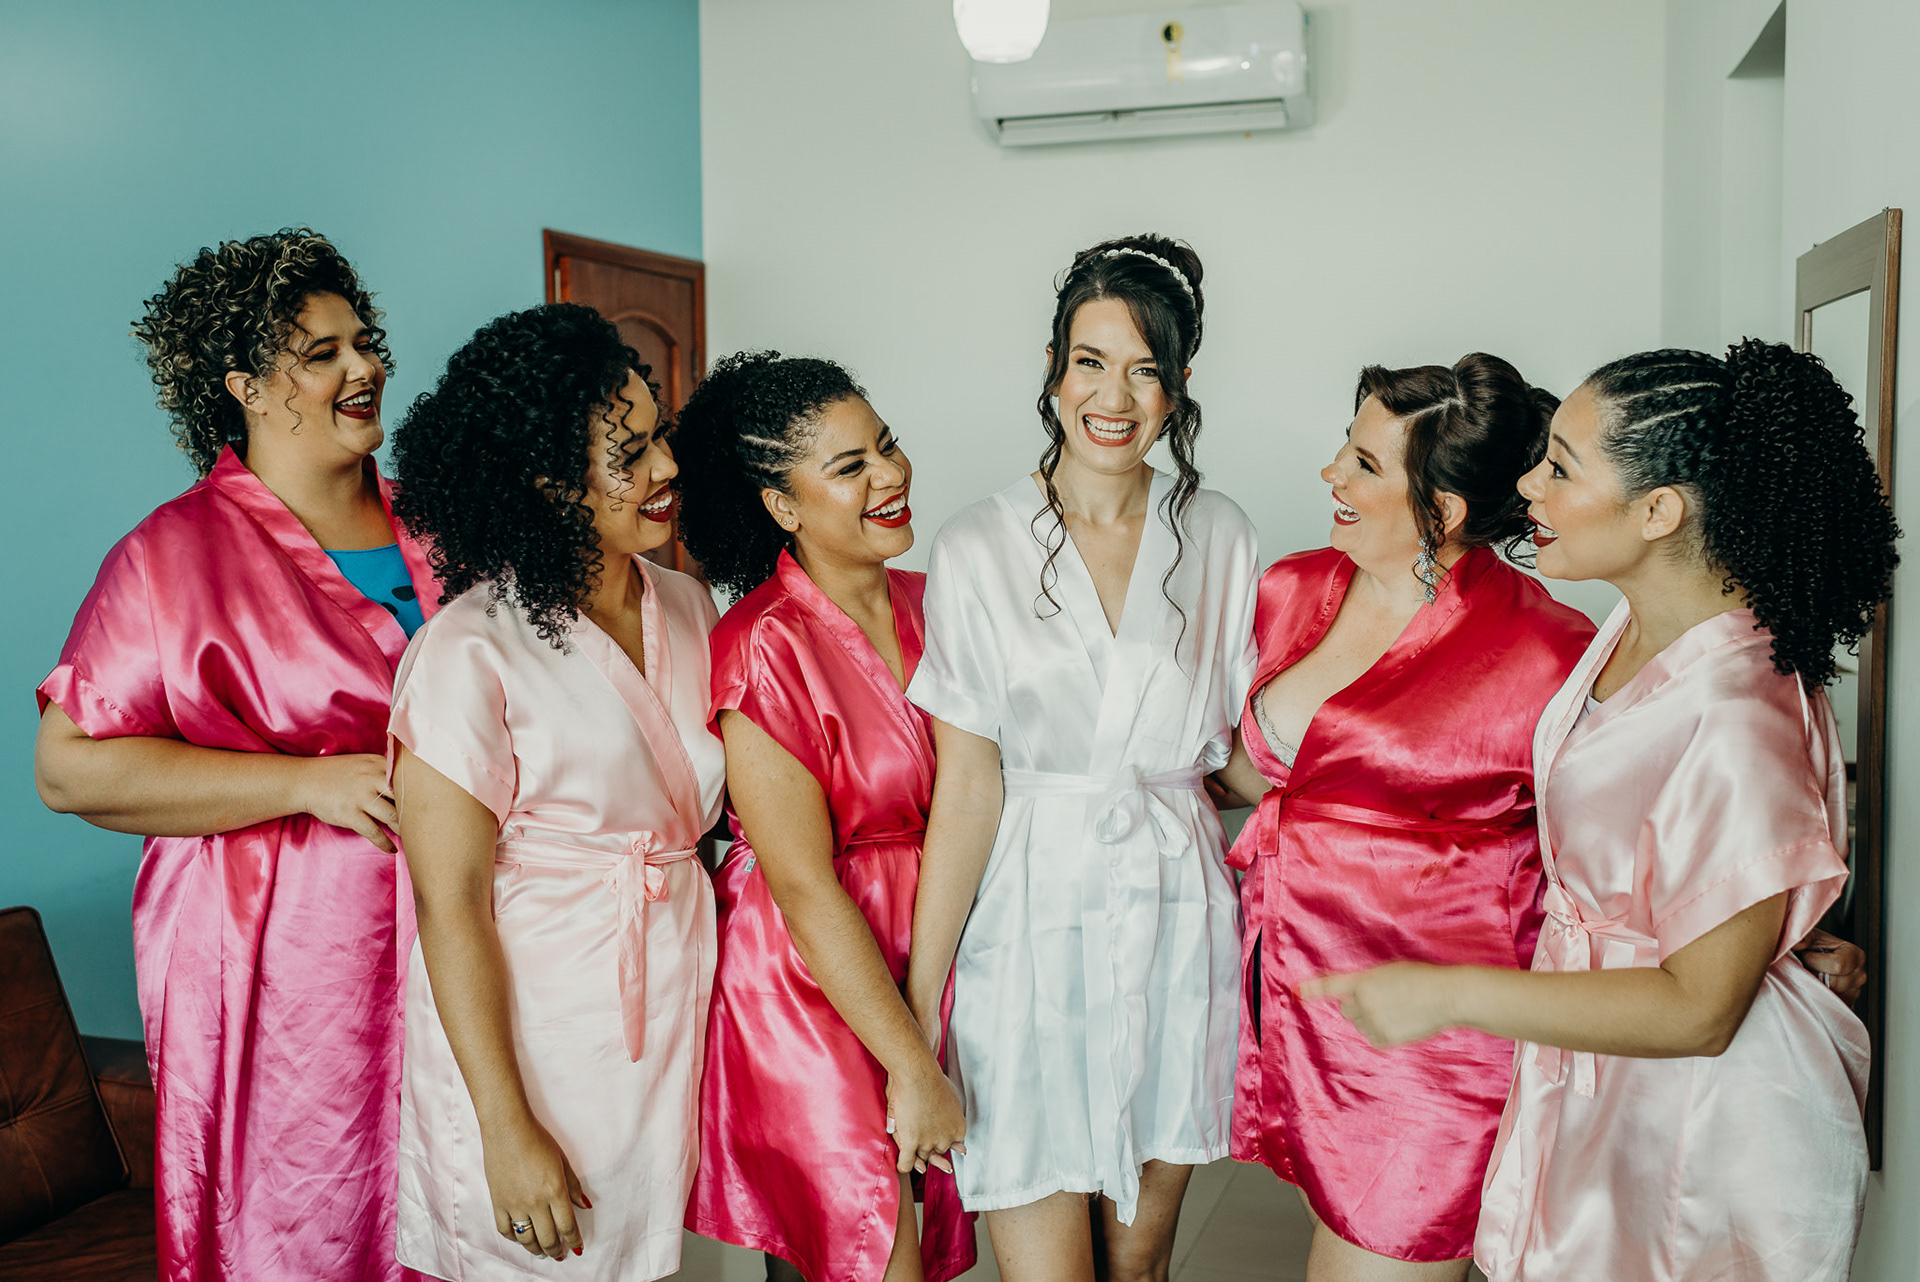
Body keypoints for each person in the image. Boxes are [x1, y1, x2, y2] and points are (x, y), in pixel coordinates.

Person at [1303, 340, 1895, 1281]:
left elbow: (1700, 1010)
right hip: (1604, 1080)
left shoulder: (1738, 715)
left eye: (1561, 467)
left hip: (1703, 1133)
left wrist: (1448, 994)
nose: (1527, 486)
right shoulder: (1631, 629)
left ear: (1658, 511)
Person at [33, 229, 433, 1282]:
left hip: (464, 934)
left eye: (366, 342)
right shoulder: (174, 554)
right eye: (322, 353)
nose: (364, 368)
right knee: (309, 1219)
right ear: (244, 385)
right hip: (284, 962)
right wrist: (305, 783)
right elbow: (69, 767)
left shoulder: (446, 529)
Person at [905, 235, 1259, 1282]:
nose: (1114, 397)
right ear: (1054, 369)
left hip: (1175, 913)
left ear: (1179, 385)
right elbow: (968, 787)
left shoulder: (1220, 534)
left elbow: (1242, 758)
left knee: (1140, 1266)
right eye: (1090, 362)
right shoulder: (977, 545)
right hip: (1028, 917)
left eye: (1145, 370)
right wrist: (921, 1003)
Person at [1210, 355, 1593, 1280]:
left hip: (1434, 1041)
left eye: (1364, 463)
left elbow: (1616, 845)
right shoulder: (1286, 592)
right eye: (1344, 449)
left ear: (1442, 510)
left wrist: (1779, 935)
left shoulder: (1548, 653)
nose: (1331, 474)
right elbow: (1248, 768)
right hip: (1292, 998)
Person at [385, 304, 722, 1280]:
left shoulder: (689, 606)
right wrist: (505, 1126)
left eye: (658, 435)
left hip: (669, 1005)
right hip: (531, 1039)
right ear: (544, 478)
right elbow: (448, 904)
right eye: (629, 454)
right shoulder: (467, 649)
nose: (666, 466)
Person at [676, 352, 975, 1282]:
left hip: (933, 941)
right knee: (865, 1249)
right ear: (783, 506)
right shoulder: (761, 643)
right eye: (850, 467)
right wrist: (912, 1065)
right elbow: (802, 887)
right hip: (810, 974)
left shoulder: (942, 603)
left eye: (887, 445)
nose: (890, 475)